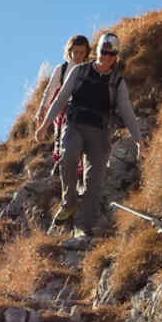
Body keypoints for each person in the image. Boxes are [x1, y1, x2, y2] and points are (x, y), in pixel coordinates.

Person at [36, 32, 145, 236]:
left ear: (116, 56)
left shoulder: (117, 82)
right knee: (67, 158)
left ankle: (83, 228)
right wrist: (45, 125)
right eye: (104, 52)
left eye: (112, 54)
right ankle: (69, 202)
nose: (107, 57)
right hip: (74, 126)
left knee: (94, 182)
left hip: (100, 134)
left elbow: (127, 111)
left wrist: (138, 140)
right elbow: (61, 99)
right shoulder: (79, 71)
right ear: (97, 52)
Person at [36, 34, 91, 180]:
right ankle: (61, 164)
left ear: (86, 52)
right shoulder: (62, 69)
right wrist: (42, 109)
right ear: (69, 51)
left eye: (81, 52)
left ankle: (80, 171)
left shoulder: (89, 69)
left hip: (83, 109)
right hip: (62, 109)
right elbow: (50, 90)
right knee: (62, 136)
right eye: (75, 52)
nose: (78, 56)